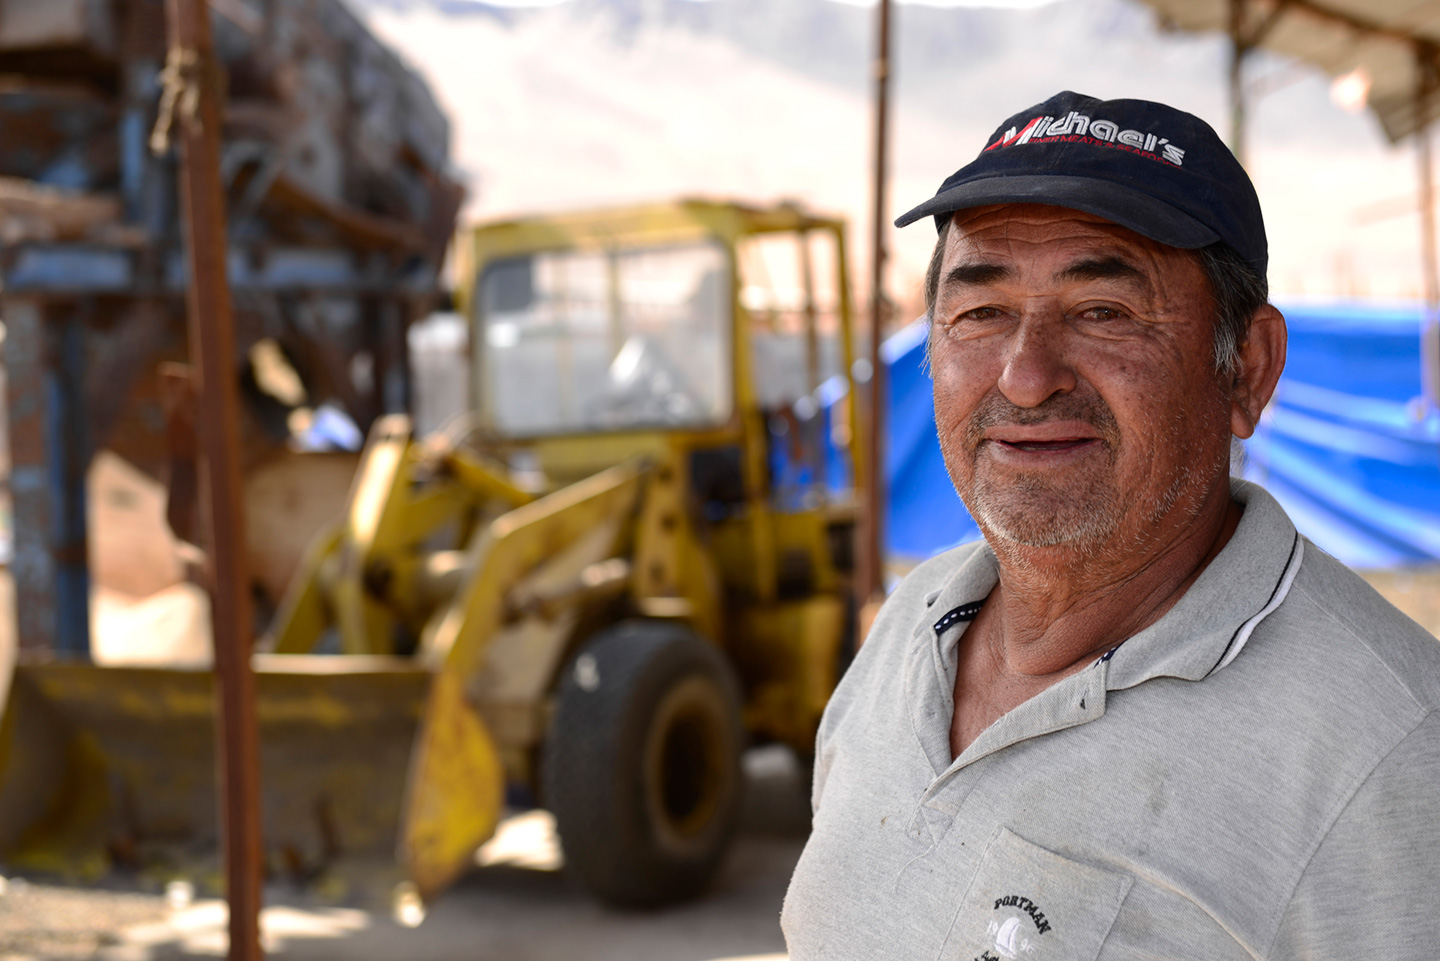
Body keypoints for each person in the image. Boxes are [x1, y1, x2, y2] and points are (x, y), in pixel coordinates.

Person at [782, 91, 1440, 960]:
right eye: (981, 312)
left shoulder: (1393, 755)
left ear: (1247, 369)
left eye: (1104, 312)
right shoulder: (913, 622)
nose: (1025, 375)